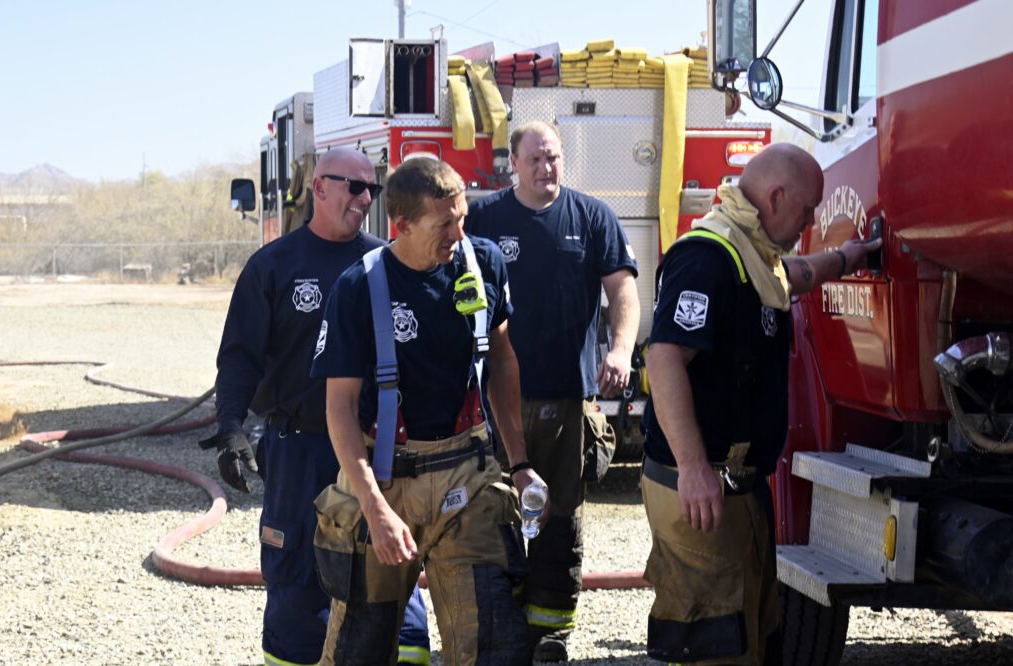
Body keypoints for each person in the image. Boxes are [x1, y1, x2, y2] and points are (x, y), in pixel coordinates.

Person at [640, 142, 882, 665]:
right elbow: (664, 360)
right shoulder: (706, 258)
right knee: (715, 646)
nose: (811, 221)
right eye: (807, 209)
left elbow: (792, 275)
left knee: (751, 639)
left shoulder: (752, 254)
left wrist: (848, 258)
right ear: (775, 198)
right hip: (701, 490)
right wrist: (693, 468)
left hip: (735, 489)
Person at [200, 148, 429, 666]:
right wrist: (231, 426)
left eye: (372, 188)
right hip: (299, 449)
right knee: (298, 585)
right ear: (319, 188)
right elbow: (239, 358)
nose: (365, 198)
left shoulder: (387, 264)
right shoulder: (273, 266)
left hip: (377, 450)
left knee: (393, 572)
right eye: (354, 186)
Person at [311, 157, 543, 665]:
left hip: (468, 475)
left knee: (495, 647)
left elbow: (503, 361)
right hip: (385, 477)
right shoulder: (357, 287)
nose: (459, 234)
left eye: (462, 219)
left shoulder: (483, 264)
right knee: (359, 650)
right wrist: (374, 510)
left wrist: (520, 464)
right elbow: (340, 409)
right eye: (444, 224)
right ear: (402, 225)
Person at [464, 120, 640, 661]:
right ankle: (502, 632)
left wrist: (620, 349)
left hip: (567, 402)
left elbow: (623, 290)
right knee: (495, 516)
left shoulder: (592, 217)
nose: (546, 167)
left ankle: (551, 636)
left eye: (554, 157)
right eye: (535, 159)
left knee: (559, 520)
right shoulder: (484, 219)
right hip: (497, 404)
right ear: (513, 164)